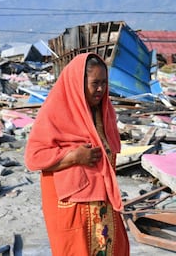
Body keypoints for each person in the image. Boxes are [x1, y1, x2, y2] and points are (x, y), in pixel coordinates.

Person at [24, 52, 130, 255]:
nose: (100, 89)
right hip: (73, 207)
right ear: (77, 83)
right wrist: (74, 157)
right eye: (95, 83)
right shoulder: (55, 112)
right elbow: (34, 157)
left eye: (104, 83)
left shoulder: (105, 112)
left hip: (104, 206)